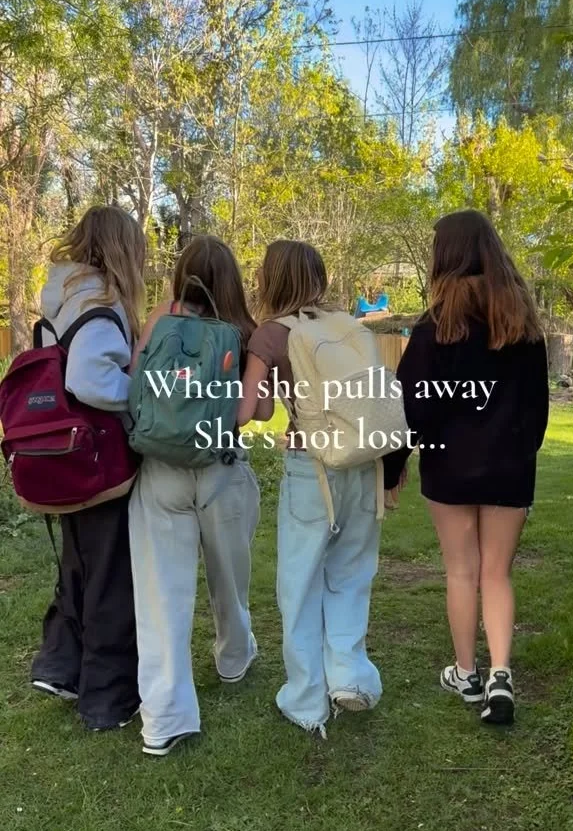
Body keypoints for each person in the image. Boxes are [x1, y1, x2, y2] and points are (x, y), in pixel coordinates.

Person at [384, 209, 549, 726]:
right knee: (496, 573)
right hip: (509, 466)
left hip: (450, 467)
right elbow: (537, 408)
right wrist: (521, 452)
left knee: (461, 570)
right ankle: (501, 674)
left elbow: (410, 407)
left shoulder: (434, 328)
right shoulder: (523, 325)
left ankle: (466, 673)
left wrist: (393, 467)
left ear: (446, 257)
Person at [238, 239, 382, 738]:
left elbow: (247, 411)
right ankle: (349, 677)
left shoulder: (272, 334)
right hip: (362, 461)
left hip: (310, 466)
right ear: (318, 277)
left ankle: (305, 700)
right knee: (351, 572)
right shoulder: (345, 326)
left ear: (271, 279)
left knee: (300, 584)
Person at [128, 236, 263, 757]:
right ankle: (233, 657)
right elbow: (256, 411)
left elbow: (136, 382)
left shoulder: (161, 317)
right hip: (220, 468)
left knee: (162, 591)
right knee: (230, 576)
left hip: (161, 468)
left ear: (181, 273)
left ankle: (165, 718)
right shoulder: (244, 329)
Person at [31, 204, 146, 731]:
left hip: (62, 453)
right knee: (111, 575)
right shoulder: (101, 303)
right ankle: (107, 697)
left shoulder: (61, 296)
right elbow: (89, 380)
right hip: (99, 459)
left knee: (77, 564)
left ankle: (60, 665)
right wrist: (139, 395)